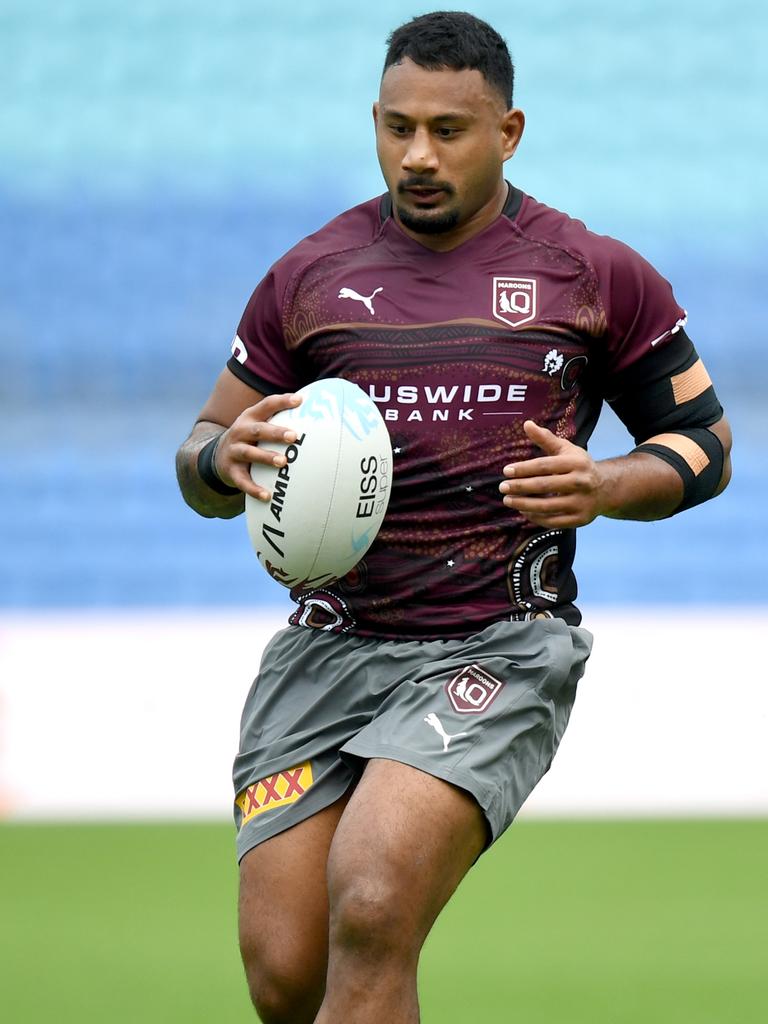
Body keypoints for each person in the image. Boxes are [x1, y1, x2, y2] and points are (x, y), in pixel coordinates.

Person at [175, 11, 732, 1023]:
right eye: (397, 128)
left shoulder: (595, 273)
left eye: (449, 130)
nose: (417, 155)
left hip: (498, 644)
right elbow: (202, 451)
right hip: (328, 650)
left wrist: (609, 484)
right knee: (286, 973)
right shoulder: (310, 276)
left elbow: (704, 445)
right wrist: (222, 456)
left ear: (509, 132)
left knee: (376, 896)